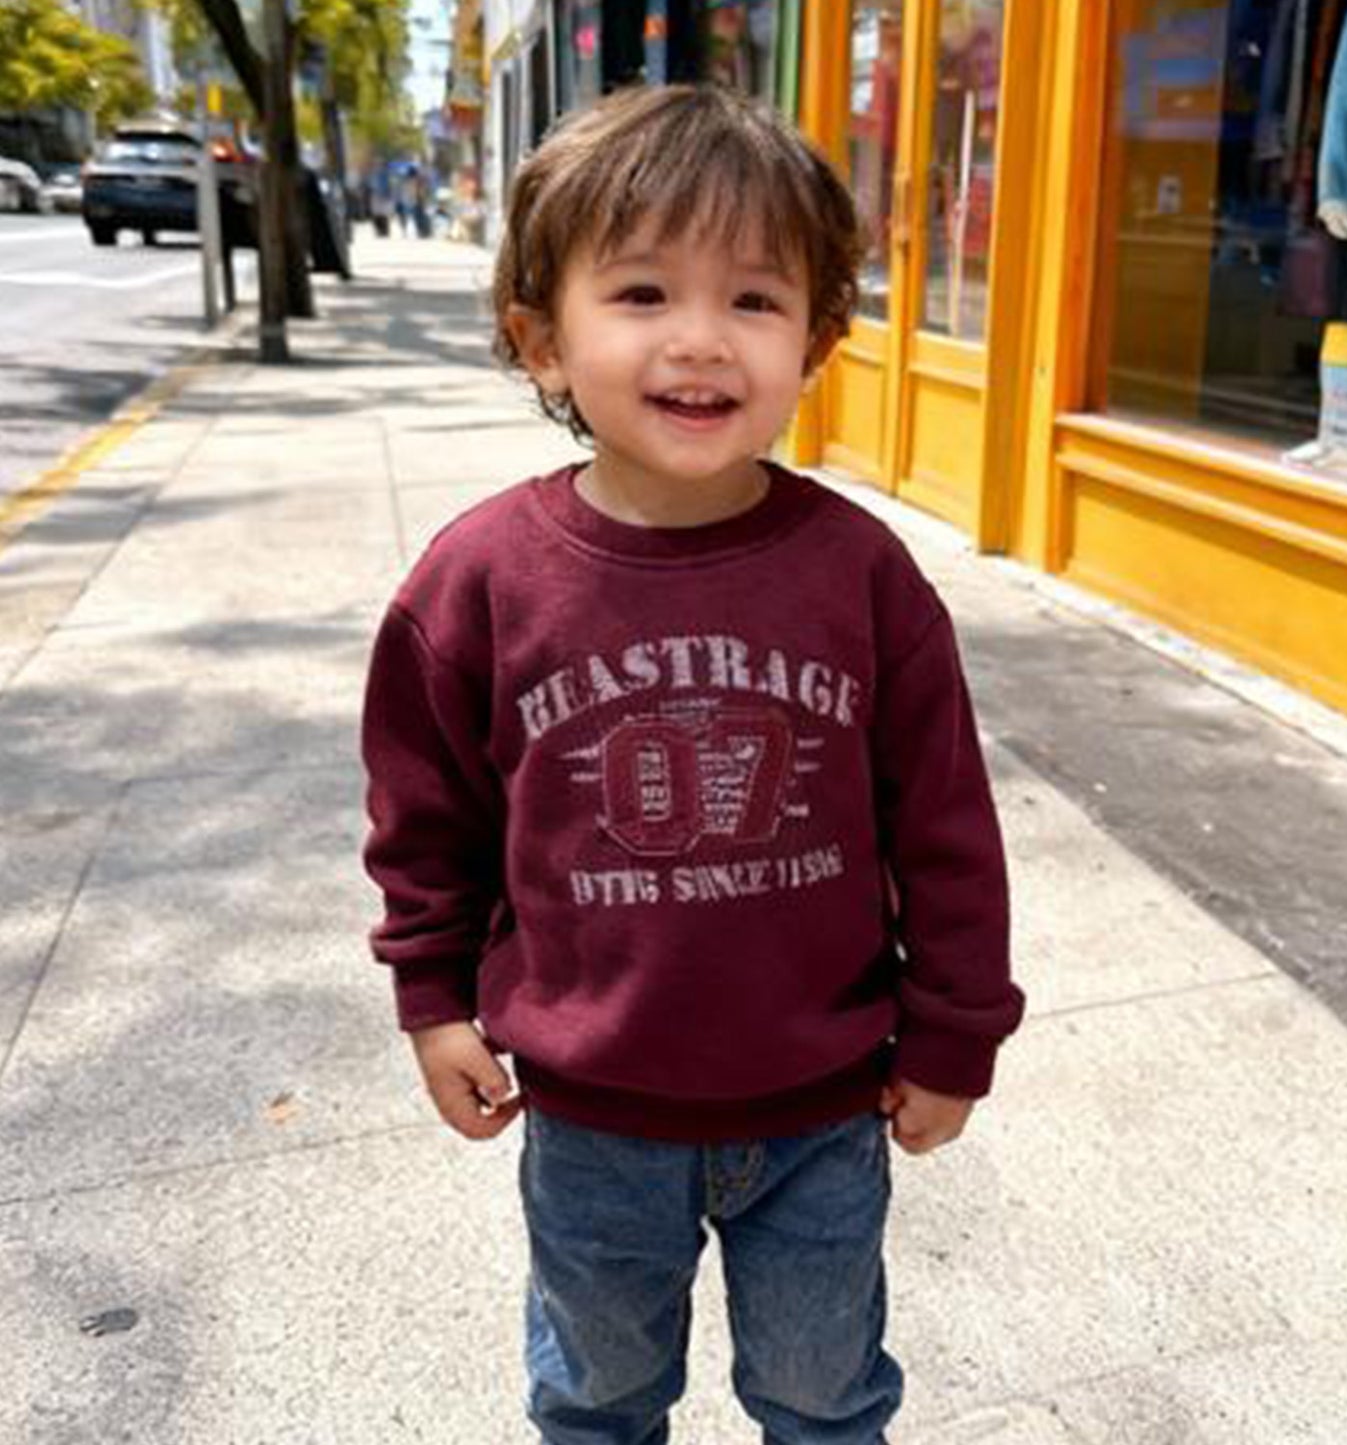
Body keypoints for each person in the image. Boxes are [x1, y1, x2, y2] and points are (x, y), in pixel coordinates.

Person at [360, 83, 1024, 1445]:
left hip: (825, 1109)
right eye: (644, 291)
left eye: (757, 300)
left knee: (824, 1394)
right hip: (592, 1114)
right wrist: (433, 999)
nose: (701, 342)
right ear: (539, 341)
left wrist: (956, 1033)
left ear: (820, 340)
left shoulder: (865, 580)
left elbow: (946, 828)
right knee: (596, 1395)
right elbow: (428, 824)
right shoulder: (478, 583)